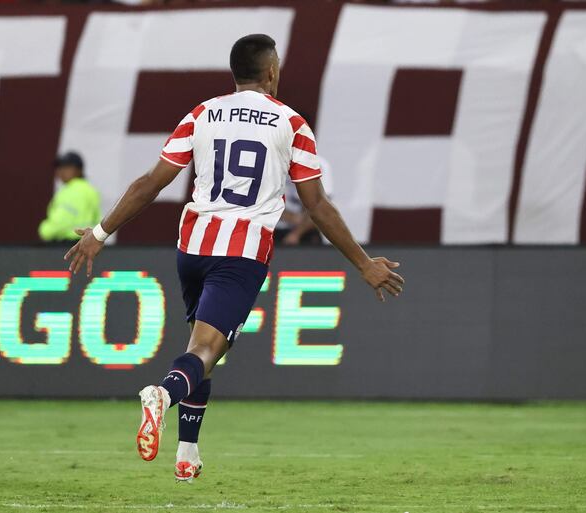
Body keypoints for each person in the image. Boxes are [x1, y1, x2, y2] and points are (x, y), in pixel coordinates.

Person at [64, 34, 404, 482]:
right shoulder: (292, 123)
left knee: (199, 347)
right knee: (207, 350)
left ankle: (187, 452)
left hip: (193, 246)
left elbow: (151, 182)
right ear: (270, 72)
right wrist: (363, 263)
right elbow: (317, 205)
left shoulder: (202, 112)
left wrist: (101, 233)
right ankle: (161, 397)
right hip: (241, 253)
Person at [38, 152, 101, 242]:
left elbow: (61, 222)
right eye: (59, 167)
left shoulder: (74, 190)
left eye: (66, 167)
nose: (61, 171)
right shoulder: (90, 190)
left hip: (69, 244)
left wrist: (44, 231)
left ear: (78, 169)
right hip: (85, 243)